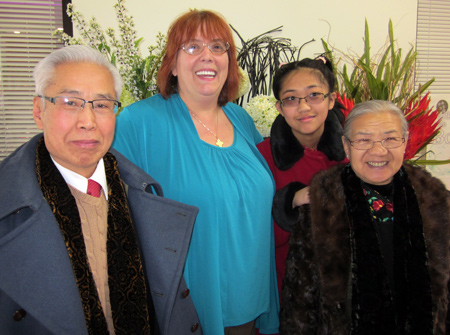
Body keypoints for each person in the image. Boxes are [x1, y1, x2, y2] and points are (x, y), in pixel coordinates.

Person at [0, 45, 202, 335]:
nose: (88, 121)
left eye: (102, 104)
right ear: (38, 110)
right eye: (70, 102)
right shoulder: (10, 207)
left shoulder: (141, 195)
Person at [112, 9, 279, 335]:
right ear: (172, 64)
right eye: (192, 46)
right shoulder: (137, 123)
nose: (208, 56)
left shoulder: (241, 119)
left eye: (219, 47)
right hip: (187, 305)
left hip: (250, 297)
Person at [280, 100, 450, 334]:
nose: (378, 150)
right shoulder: (323, 206)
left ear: (405, 142)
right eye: (363, 140)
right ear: (346, 146)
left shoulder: (436, 201)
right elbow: (299, 300)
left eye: (390, 138)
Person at [257, 58, 348, 300]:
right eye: (291, 99)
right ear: (279, 107)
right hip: (285, 287)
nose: (304, 107)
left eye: (314, 95)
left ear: (331, 100)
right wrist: (290, 204)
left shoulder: (353, 153)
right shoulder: (260, 158)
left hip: (340, 287)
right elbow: (254, 236)